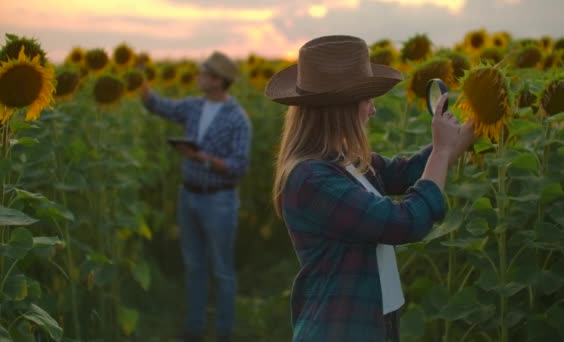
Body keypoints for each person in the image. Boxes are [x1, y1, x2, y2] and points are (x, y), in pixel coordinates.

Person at [266, 35, 475, 341]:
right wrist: (442, 151)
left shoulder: (345, 162)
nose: (373, 110)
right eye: (367, 99)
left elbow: (407, 171)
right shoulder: (311, 179)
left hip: (372, 322)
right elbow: (404, 222)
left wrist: (465, 133)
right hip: (338, 329)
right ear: (342, 108)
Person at [141, 52, 252, 342]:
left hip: (219, 200)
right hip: (188, 195)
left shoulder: (237, 119)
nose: (198, 77)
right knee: (194, 266)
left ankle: (225, 332)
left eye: (203, 73)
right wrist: (140, 81)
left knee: (222, 270)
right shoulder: (194, 106)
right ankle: (195, 328)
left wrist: (201, 158)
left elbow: (239, 167)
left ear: (217, 80)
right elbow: (159, 106)